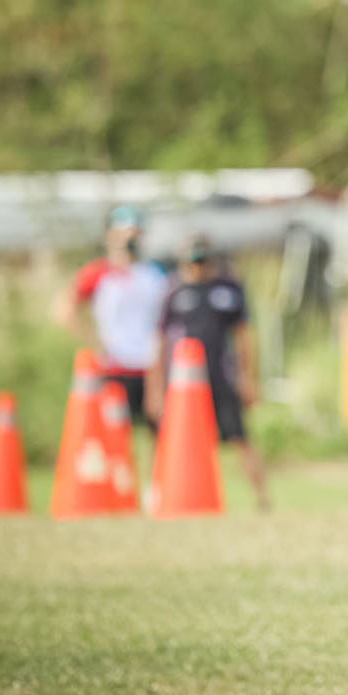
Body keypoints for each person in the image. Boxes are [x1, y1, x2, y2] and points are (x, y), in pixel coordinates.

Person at [149, 234, 270, 510]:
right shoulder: (173, 292)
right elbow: (158, 342)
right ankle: (164, 495)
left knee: (241, 438)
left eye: (202, 260)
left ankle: (262, 499)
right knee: (174, 440)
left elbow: (243, 337)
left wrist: (247, 377)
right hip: (183, 386)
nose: (197, 267)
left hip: (221, 378)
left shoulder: (228, 289)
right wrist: (155, 389)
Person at [59, 204, 170, 429]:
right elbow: (64, 309)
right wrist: (94, 342)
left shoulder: (156, 273)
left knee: (161, 433)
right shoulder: (98, 273)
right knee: (114, 435)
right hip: (114, 368)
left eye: (135, 234)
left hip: (152, 369)